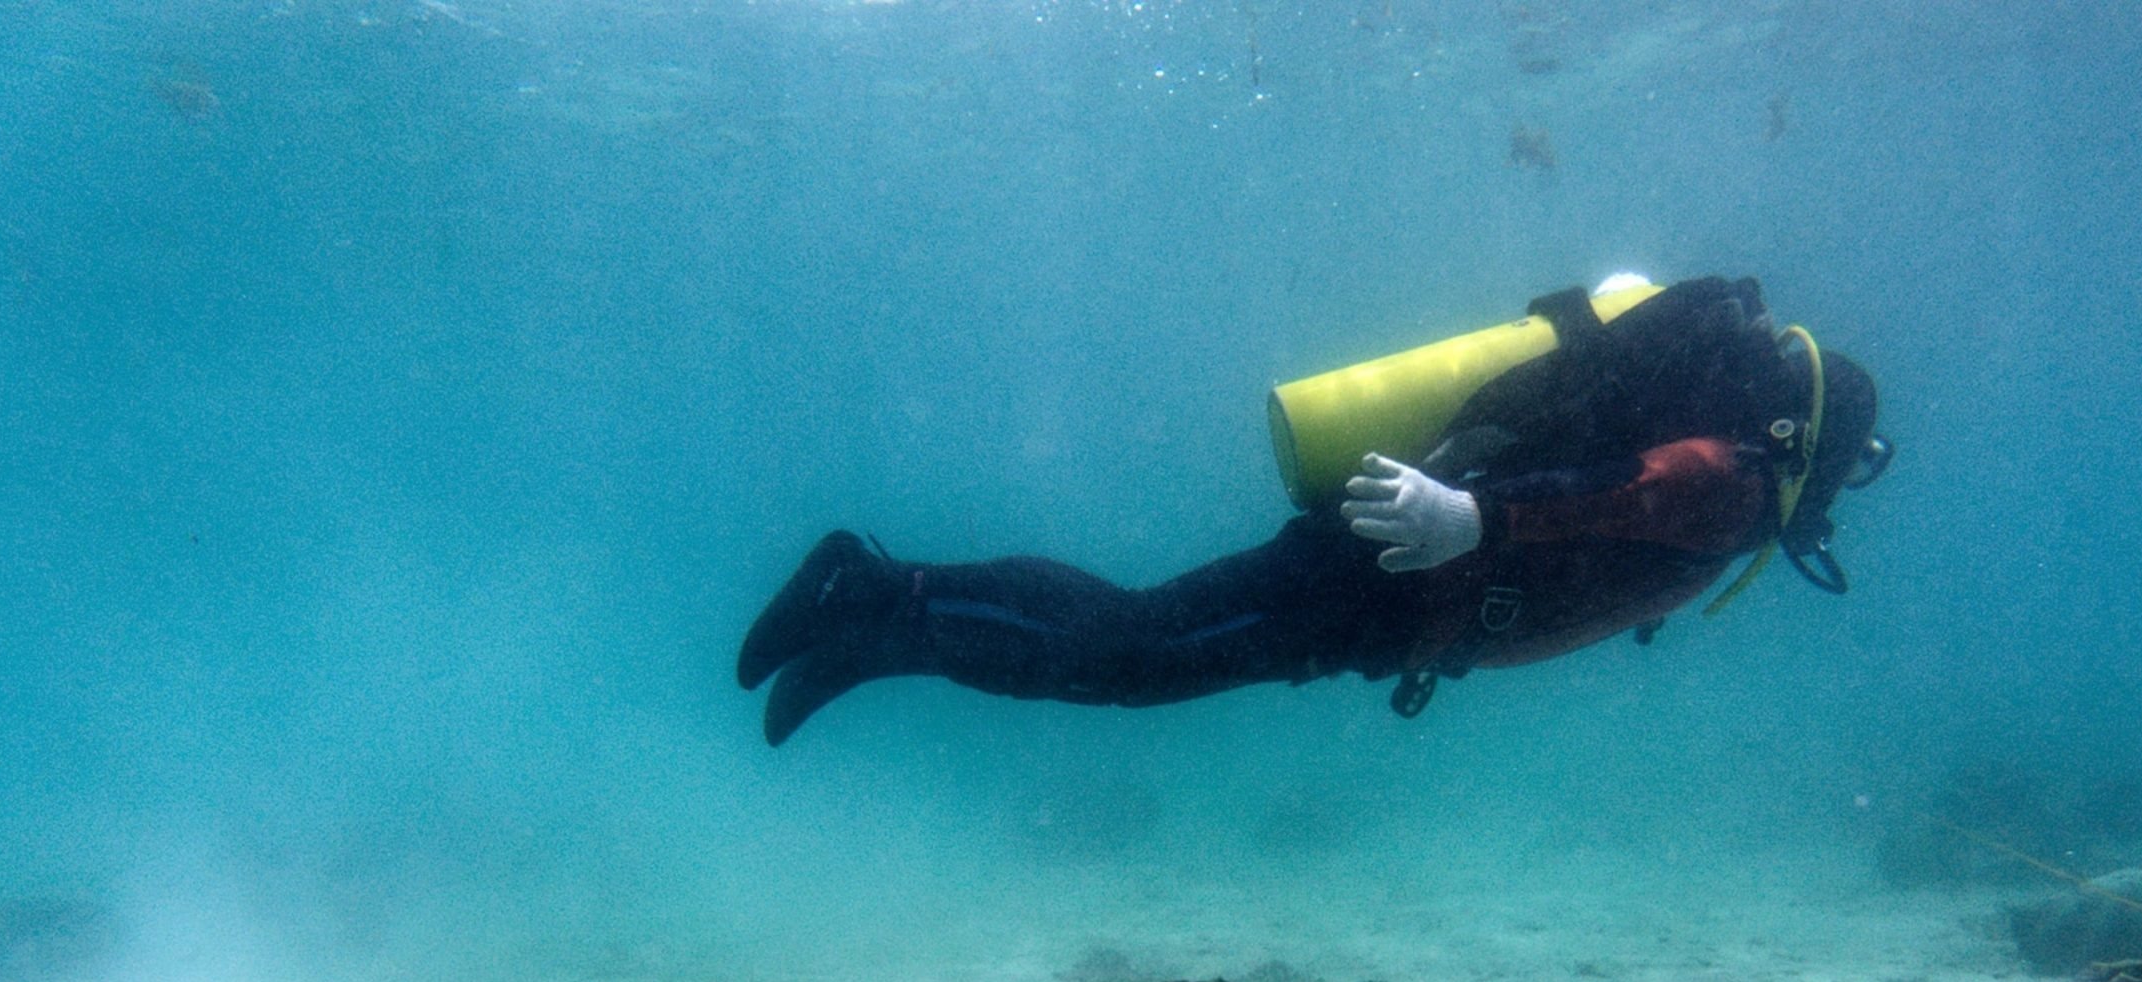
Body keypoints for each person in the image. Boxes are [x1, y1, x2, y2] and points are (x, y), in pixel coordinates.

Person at [736, 274, 1890, 745]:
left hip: (1402, 566)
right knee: (1129, 653)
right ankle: (880, 603)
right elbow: (1631, 487)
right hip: (1407, 564)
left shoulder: (1745, 453)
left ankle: (881, 616)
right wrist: (1475, 520)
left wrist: (1464, 519)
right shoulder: (1740, 486)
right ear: (1822, 449)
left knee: (1133, 639)